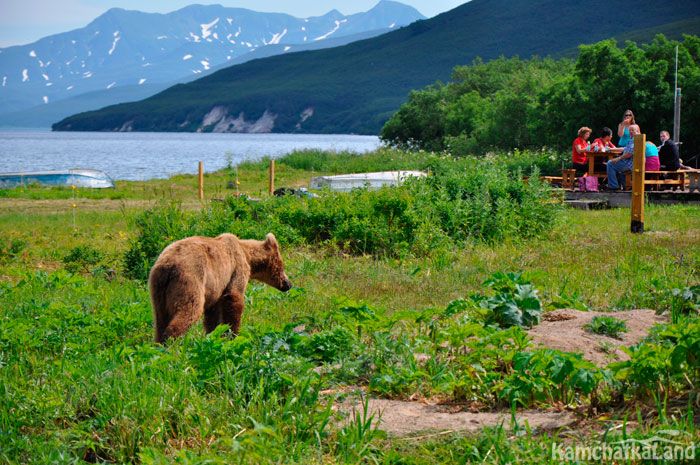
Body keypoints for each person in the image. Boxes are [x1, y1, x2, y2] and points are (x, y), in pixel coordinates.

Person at [607, 124, 639, 189]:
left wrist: (619, 158)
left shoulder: (635, 140)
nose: (631, 132)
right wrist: (612, 149)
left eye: (633, 130)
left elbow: (630, 153)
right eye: (629, 130)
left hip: (630, 164)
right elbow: (625, 149)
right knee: (618, 167)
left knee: (610, 163)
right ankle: (626, 186)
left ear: (637, 131)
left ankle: (613, 186)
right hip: (632, 163)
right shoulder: (633, 139)